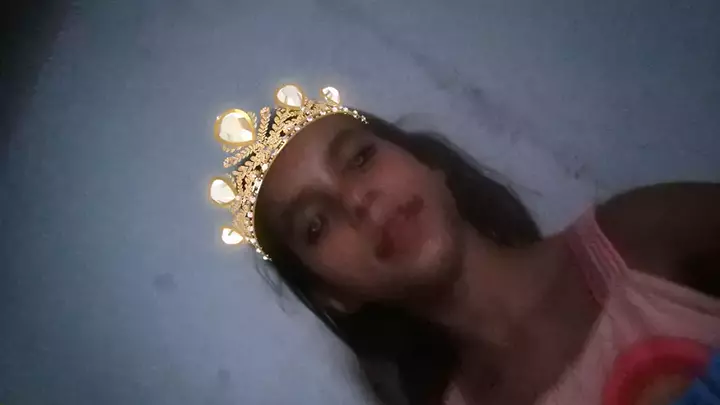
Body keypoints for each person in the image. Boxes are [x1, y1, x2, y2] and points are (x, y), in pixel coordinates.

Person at [208, 84, 720, 405]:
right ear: (334, 295)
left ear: (432, 167)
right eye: (315, 225)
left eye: (361, 158)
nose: (357, 201)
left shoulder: (642, 239)